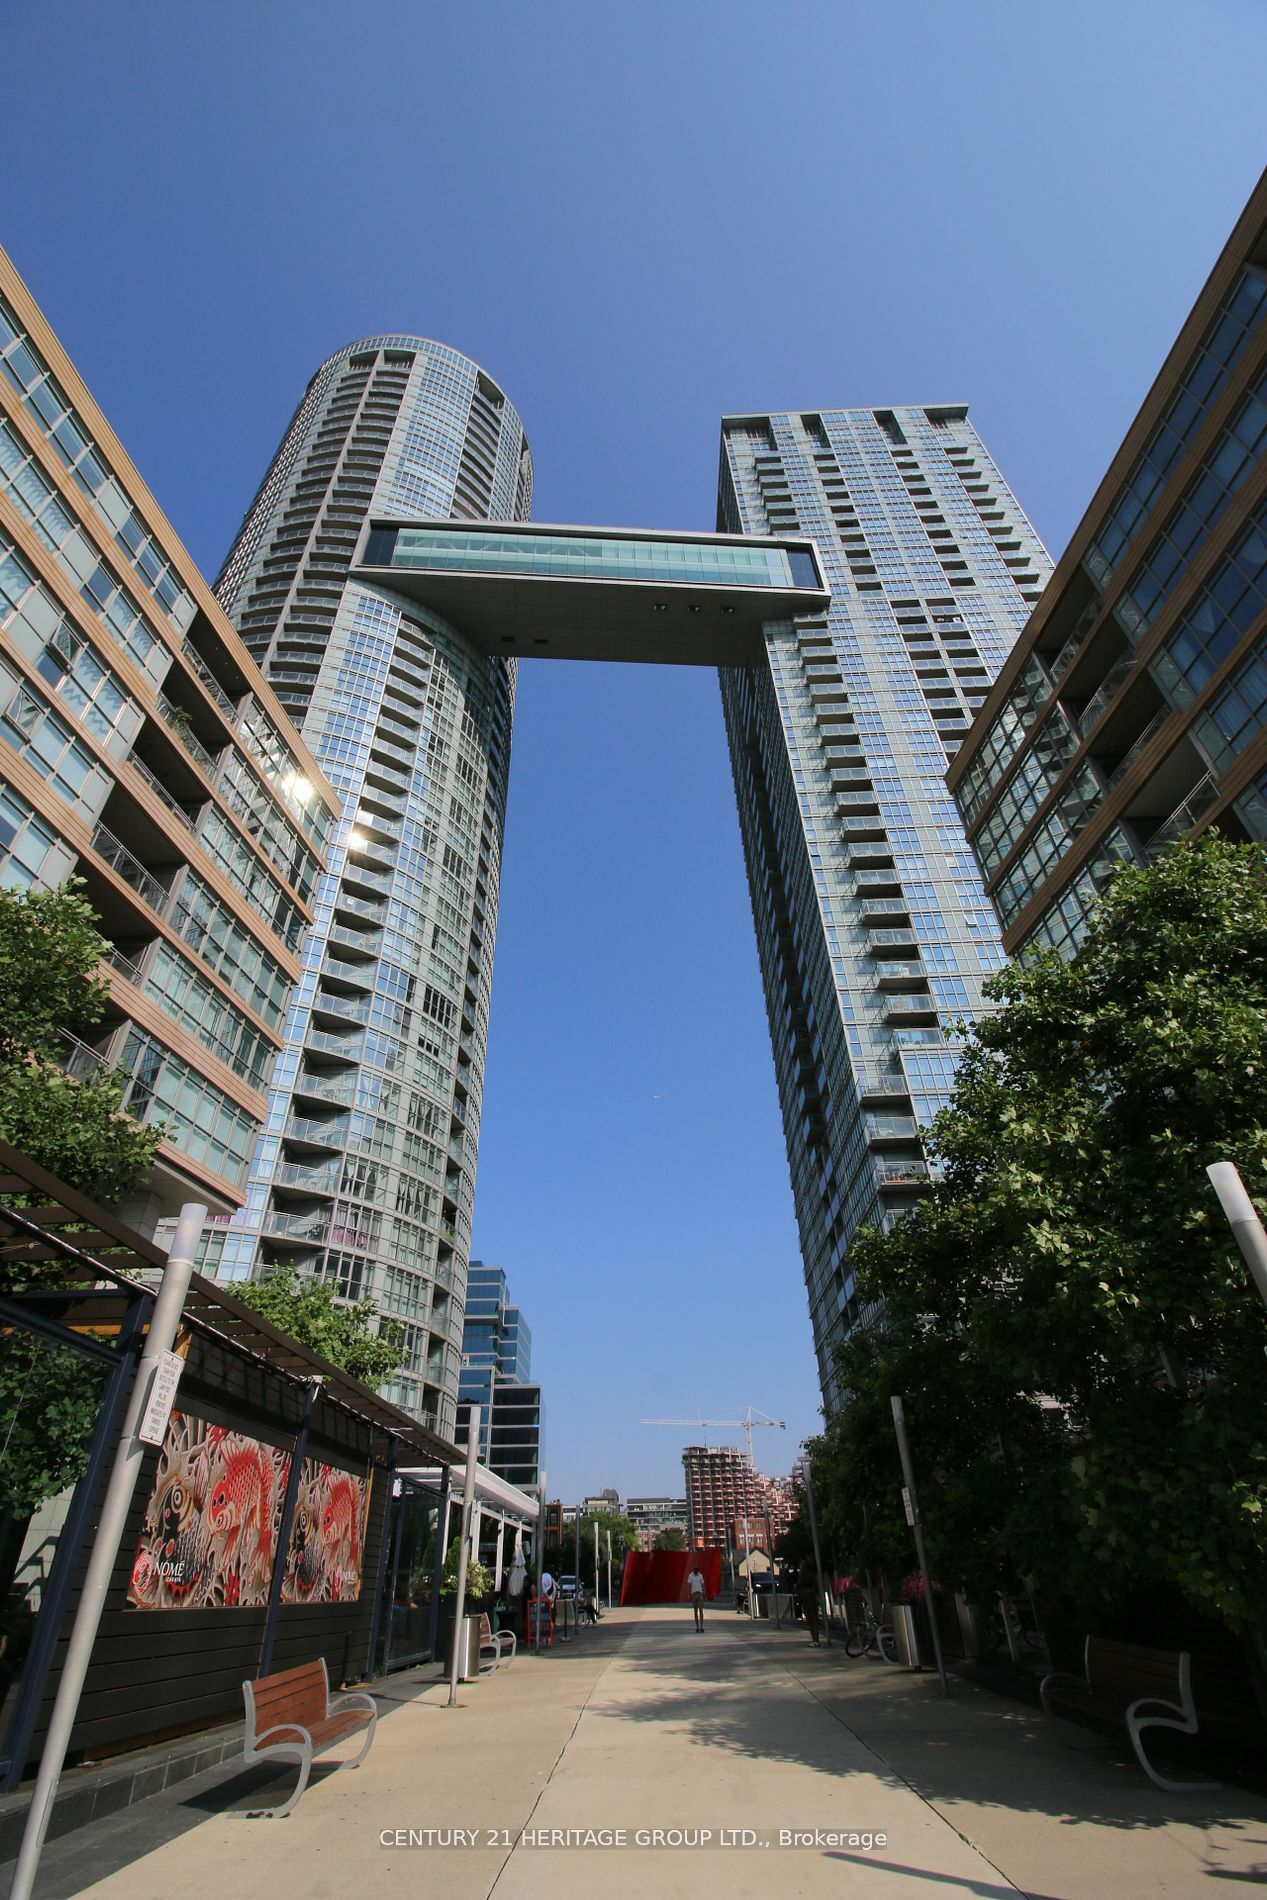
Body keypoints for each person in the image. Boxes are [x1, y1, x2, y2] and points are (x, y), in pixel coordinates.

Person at [798, 1557, 821, 1647]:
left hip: (810, 1598)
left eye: (802, 1565)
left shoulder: (810, 1575)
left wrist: (815, 1596)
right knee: (809, 1620)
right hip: (805, 1599)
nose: (801, 1566)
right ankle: (814, 1639)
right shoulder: (801, 1575)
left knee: (813, 1619)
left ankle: (816, 1639)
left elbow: (814, 1587)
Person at [686, 1561, 706, 1632]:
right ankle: (697, 1627)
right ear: (693, 1569)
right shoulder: (690, 1576)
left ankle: (702, 1627)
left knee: (701, 1610)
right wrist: (689, 1594)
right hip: (694, 1594)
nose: (696, 1569)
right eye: (695, 1568)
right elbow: (688, 1585)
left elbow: (703, 1585)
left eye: (697, 1568)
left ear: (698, 1569)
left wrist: (704, 1594)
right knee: (695, 1611)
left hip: (699, 1594)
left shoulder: (701, 1575)